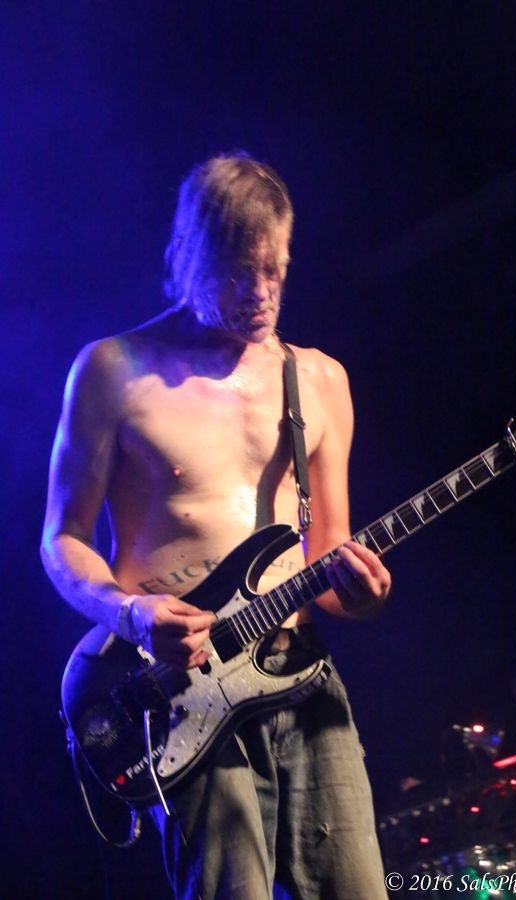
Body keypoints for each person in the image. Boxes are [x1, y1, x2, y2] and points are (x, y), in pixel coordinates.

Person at [41, 153, 392, 899]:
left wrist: (360, 595)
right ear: (189, 260)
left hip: (303, 675)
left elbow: (329, 558)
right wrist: (131, 614)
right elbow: (62, 538)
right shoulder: (114, 369)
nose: (261, 293)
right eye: (239, 273)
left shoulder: (319, 380)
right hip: (184, 695)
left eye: (275, 270)